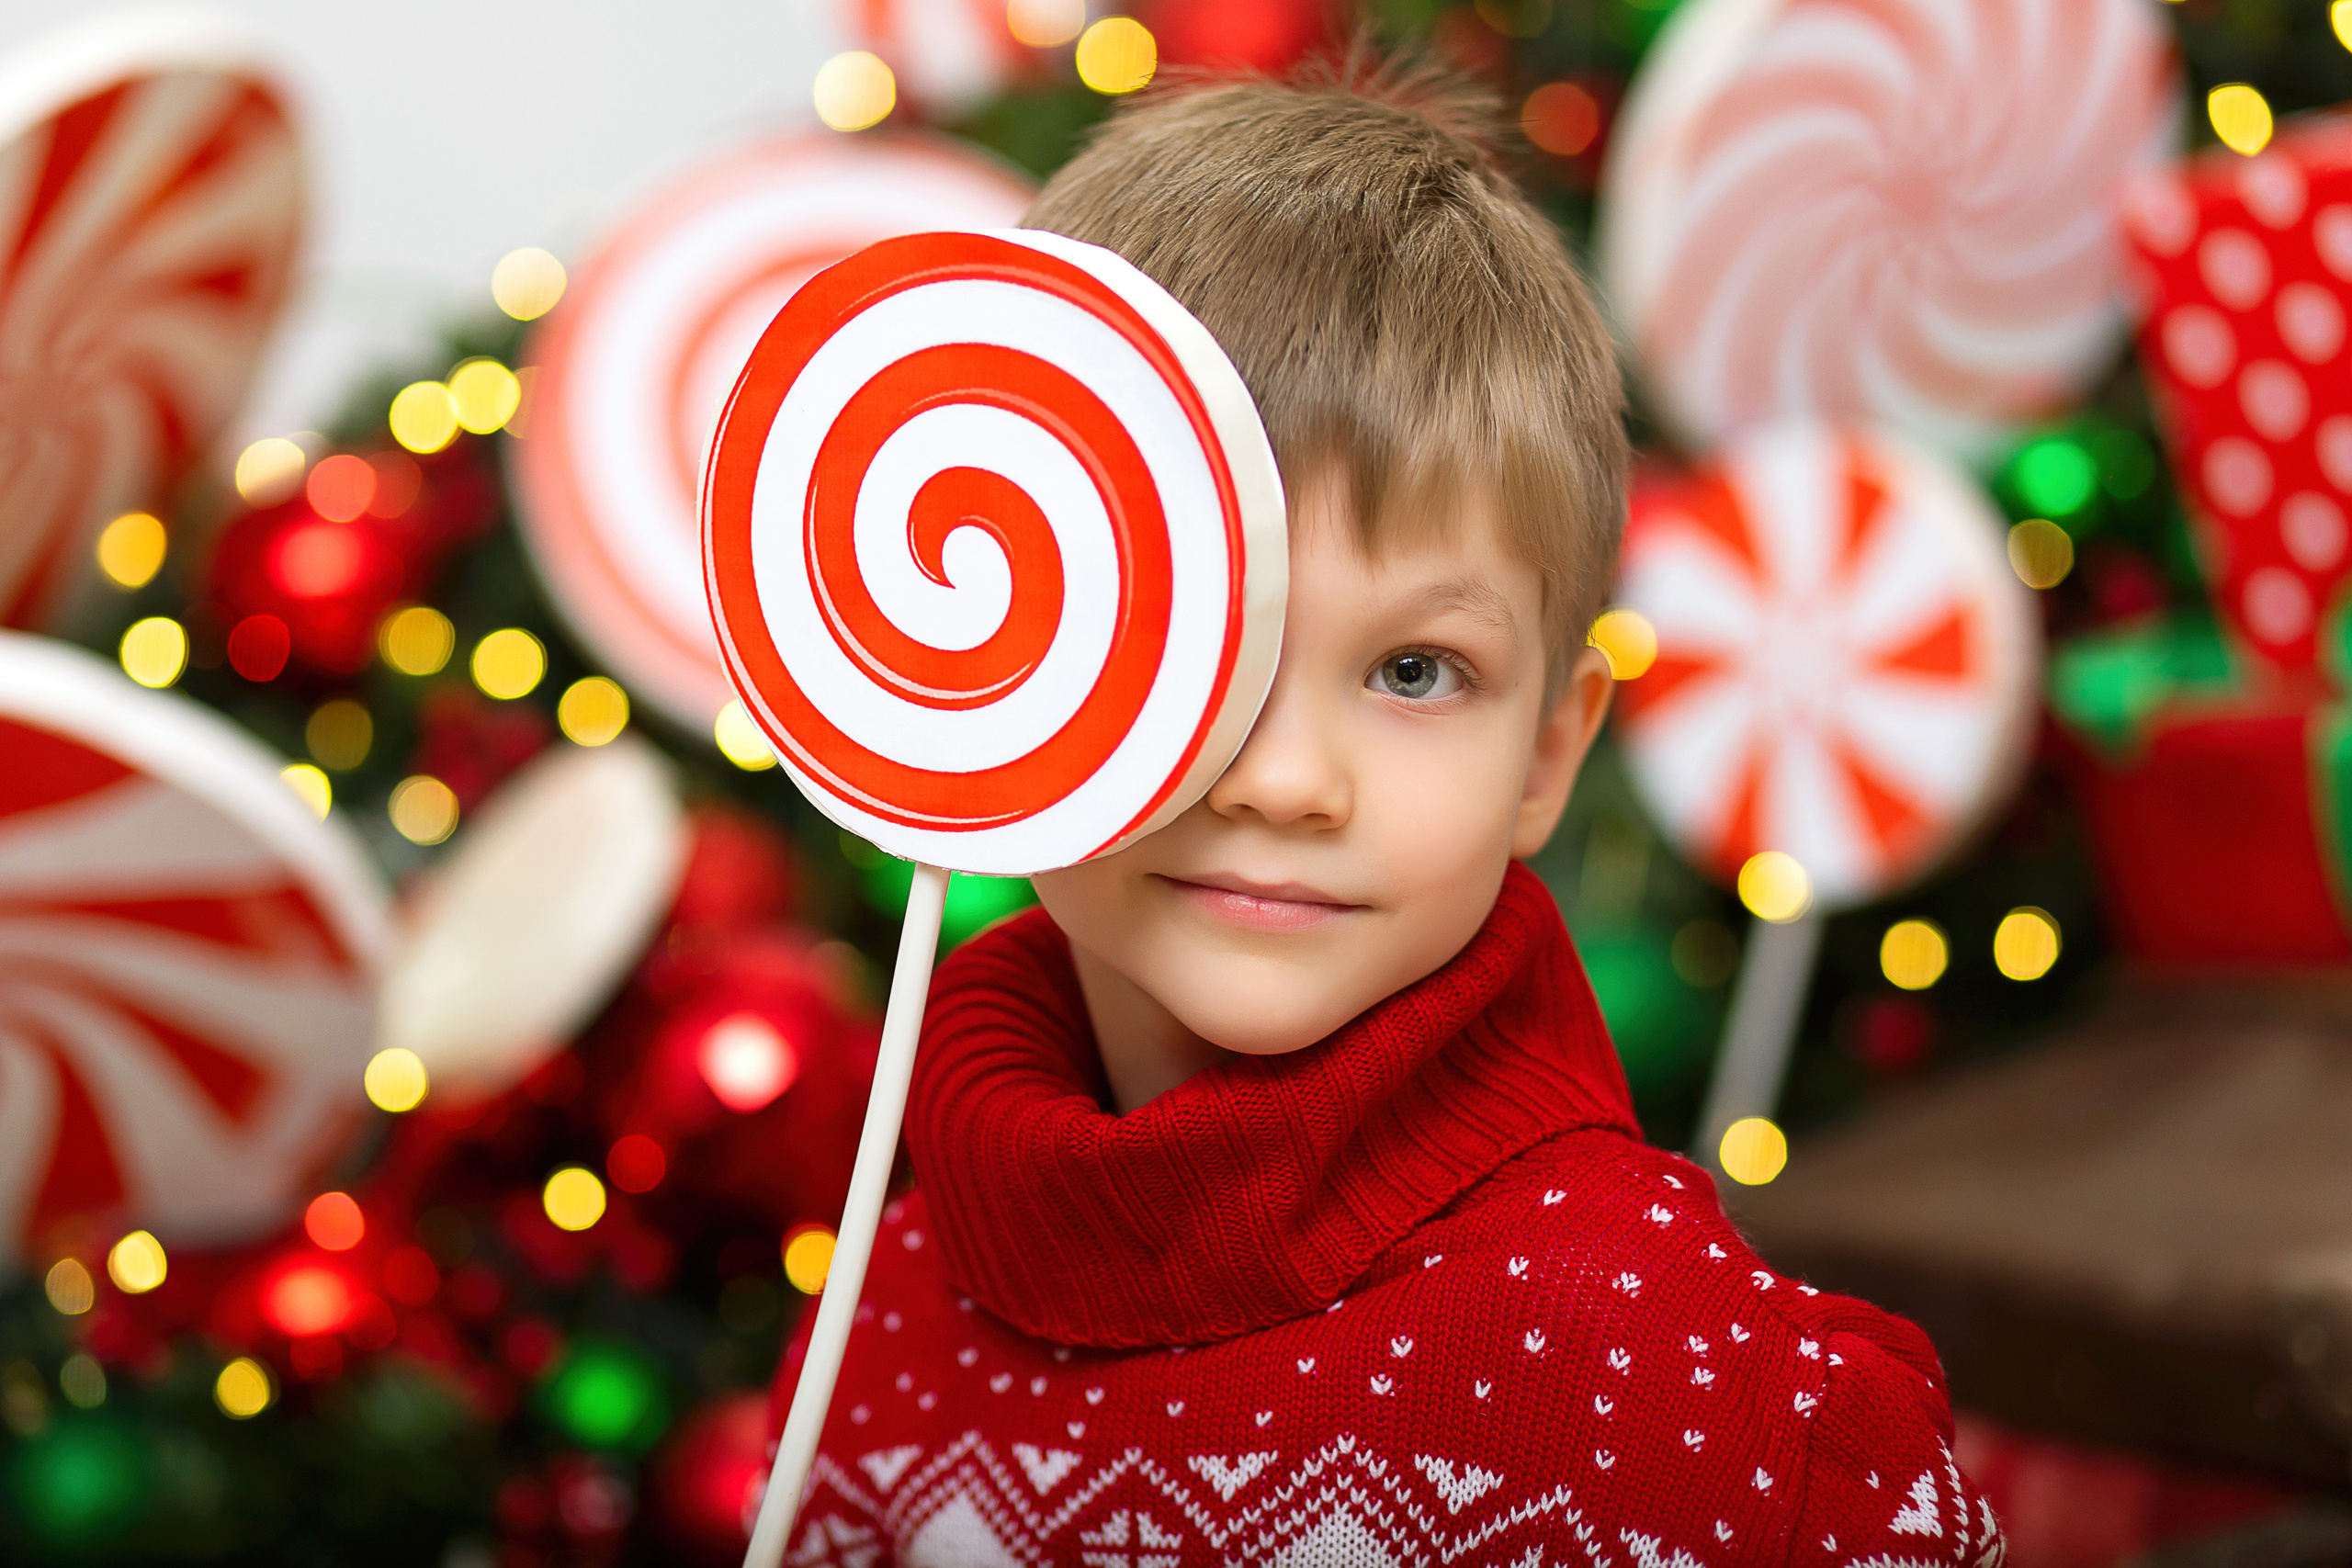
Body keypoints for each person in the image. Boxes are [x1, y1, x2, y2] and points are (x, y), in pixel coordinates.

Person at [772, 53, 2003, 1568]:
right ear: (1002, 669)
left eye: (1416, 670)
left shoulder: (1689, 1396)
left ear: (1549, 752)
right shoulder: (873, 1335)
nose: (1286, 780)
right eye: (1196, 634)